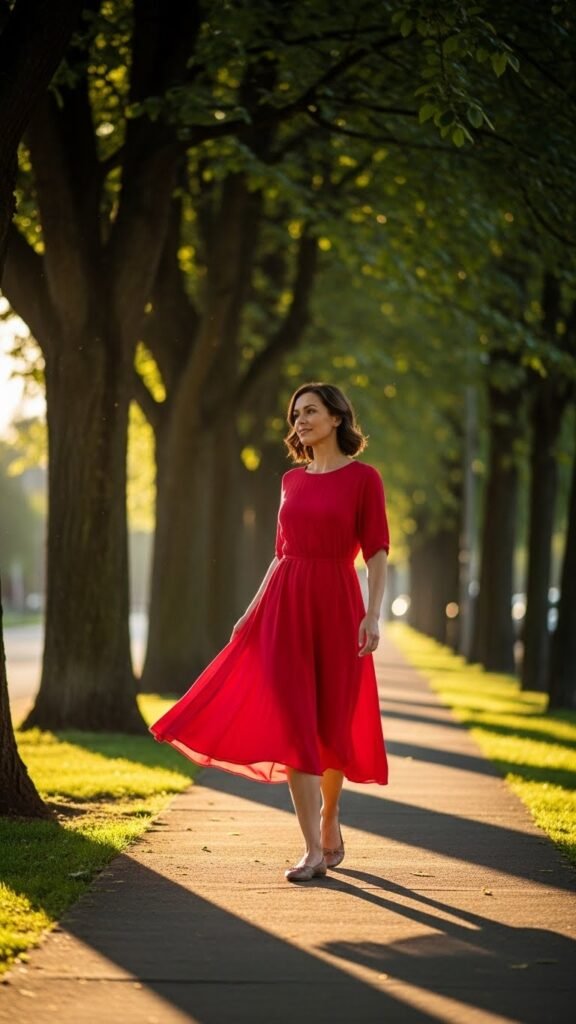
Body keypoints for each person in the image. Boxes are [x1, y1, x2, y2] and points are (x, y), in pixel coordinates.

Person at [149, 382, 390, 882]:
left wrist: (374, 612)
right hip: (286, 604)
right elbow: (280, 553)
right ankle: (311, 850)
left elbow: (377, 552)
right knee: (296, 725)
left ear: (337, 418)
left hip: (339, 605)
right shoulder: (290, 481)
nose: (300, 421)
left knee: (331, 725)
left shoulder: (365, 479)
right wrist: (251, 610)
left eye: (310, 411)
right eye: (296, 413)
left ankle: (330, 816)